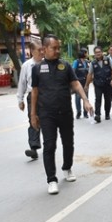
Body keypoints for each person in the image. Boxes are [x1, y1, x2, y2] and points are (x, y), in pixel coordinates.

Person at [30, 35, 93, 195]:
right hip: (46, 113)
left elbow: (75, 83)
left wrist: (85, 100)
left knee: (68, 142)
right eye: (54, 48)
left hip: (65, 111)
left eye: (59, 48)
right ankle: (51, 179)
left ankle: (67, 167)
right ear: (44, 49)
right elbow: (35, 92)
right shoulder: (37, 69)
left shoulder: (65, 66)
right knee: (49, 145)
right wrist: (33, 114)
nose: (58, 51)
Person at [16, 41, 44, 160]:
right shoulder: (27, 65)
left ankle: (49, 145)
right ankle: (34, 148)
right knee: (33, 120)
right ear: (32, 52)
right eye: (39, 50)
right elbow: (22, 83)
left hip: (46, 96)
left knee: (47, 121)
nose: (42, 52)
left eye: (43, 49)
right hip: (32, 96)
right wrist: (20, 99)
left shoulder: (46, 64)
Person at [84, 46, 112, 123]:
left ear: (102, 52)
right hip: (98, 84)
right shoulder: (93, 63)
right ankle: (97, 115)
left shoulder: (108, 59)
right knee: (98, 99)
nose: (97, 54)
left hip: (107, 83)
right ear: (94, 54)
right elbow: (90, 74)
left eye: (99, 52)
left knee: (108, 99)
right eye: (96, 53)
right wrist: (87, 85)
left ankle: (107, 113)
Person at [72, 48, 90, 119]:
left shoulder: (87, 62)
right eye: (86, 53)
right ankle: (78, 112)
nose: (87, 54)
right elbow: (73, 71)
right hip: (78, 82)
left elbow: (89, 72)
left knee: (86, 97)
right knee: (78, 97)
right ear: (84, 53)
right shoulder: (76, 62)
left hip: (85, 82)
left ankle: (85, 112)